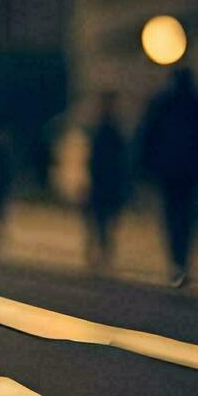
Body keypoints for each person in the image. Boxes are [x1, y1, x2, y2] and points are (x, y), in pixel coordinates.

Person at [138, 68, 198, 287]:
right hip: (192, 172)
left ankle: (177, 260)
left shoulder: (162, 103)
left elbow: (147, 137)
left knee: (172, 217)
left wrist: (145, 168)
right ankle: (181, 260)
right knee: (187, 217)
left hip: (168, 171)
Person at [85, 92, 129, 268]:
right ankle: (99, 249)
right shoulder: (101, 128)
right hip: (101, 180)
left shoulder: (111, 129)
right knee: (98, 218)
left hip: (109, 181)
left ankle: (102, 249)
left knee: (104, 219)